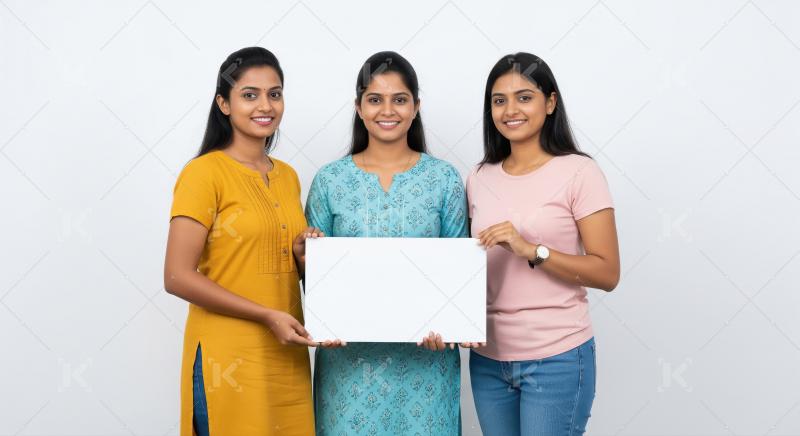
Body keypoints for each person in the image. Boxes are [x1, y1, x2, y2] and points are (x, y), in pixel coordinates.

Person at [305, 51, 473, 435]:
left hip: (426, 371)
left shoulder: (443, 179)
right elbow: (312, 276)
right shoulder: (329, 181)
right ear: (358, 107)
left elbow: (458, 273)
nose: (387, 110)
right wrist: (321, 315)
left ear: (416, 107)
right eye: (375, 99)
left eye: (399, 99)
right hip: (348, 371)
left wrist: (449, 327)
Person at [164, 47, 320, 436]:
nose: (265, 105)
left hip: (285, 358)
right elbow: (177, 276)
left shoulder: (288, 177)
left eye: (274, 94)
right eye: (250, 95)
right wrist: (266, 315)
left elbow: (279, 266)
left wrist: (302, 257)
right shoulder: (203, 174)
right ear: (224, 104)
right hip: (228, 361)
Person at [467, 52, 621, 436]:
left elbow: (607, 273)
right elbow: (465, 265)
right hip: (488, 361)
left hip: (557, 357)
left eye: (524, 97)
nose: (510, 110)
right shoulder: (478, 177)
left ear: (550, 102)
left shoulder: (580, 172)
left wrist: (532, 250)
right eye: (499, 100)